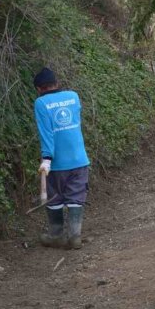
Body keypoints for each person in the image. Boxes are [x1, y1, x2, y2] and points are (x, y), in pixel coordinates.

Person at [33, 67, 90, 249]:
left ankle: (56, 235)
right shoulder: (73, 96)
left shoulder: (41, 103)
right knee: (76, 195)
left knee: (55, 197)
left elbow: (46, 133)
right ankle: (75, 237)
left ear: (39, 88)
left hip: (57, 162)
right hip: (79, 158)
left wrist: (46, 158)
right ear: (57, 83)